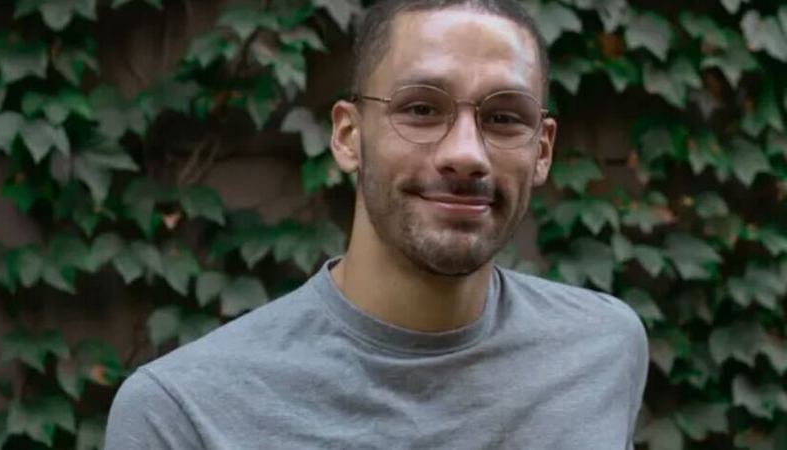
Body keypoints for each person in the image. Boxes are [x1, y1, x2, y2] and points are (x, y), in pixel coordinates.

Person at [105, 0, 649, 448]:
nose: (466, 154)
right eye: (421, 110)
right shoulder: (182, 414)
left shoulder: (603, 348)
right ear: (348, 136)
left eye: (504, 118)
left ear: (543, 150)